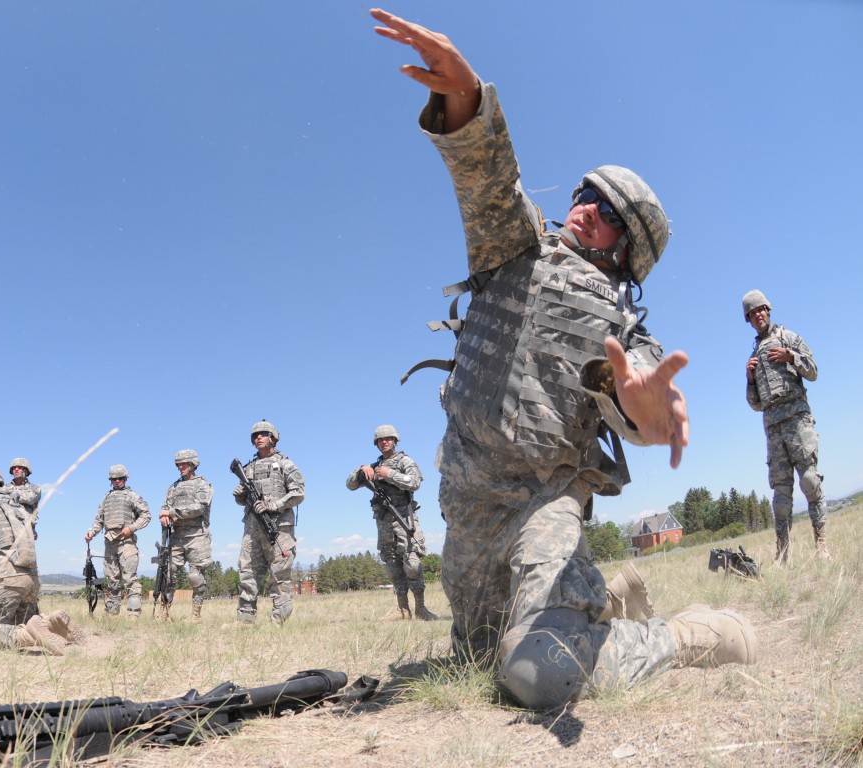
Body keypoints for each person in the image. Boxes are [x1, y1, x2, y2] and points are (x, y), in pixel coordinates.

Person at [370, 9, 755, 709]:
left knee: (536, 673)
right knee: (478, 657)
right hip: (469, 509)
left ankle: (700, 632)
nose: (584, 210)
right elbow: (487, 178)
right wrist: (466, 99)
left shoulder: (620, 321)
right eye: (583, 195)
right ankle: (611, 594)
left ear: (625, 249)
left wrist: (644, 410)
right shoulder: (512, 248)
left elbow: (632, 390)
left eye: (606, 212)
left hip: (542, 507)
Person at [0, 465, 81, 654]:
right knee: (20, 622)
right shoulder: (18, 506)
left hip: (7, 578)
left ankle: (28, 636)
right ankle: (52, 623)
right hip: (32, 579)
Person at [743, 289, 829, 562]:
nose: (758, 316)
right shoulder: (754, 354)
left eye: (760, 310)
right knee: (781, 496)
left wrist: (791, 356)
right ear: (748, 320)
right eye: (752, 314)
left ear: (768, 309)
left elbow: (813, 371)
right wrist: (749, 377)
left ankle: (821, 546)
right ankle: (782, 554)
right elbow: (755, 404)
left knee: (809, 482)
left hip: (797, 421)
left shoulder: (788, 338)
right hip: (773, 428)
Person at [347, 425, 439, 621]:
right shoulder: (373, 467)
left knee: (412, 565)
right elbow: (350, 485)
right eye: (380, 440)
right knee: (392, 567)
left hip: (405, 519)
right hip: (384, 522)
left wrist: (390, 475)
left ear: (395, 441)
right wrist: (361, 470)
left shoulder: (405, 461)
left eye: (388, 439)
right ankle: (402, 610)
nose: (384, 442)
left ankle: (421, 608)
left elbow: (415, 482)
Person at [232, 420, 304, 625]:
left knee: (279, 574)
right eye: (255, 436)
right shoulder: (248, 469)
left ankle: (278, 621)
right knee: (248, 573)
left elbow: (299, 493)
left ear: (273, 437)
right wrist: (240, 495)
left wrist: (275, 505)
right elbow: (242, 501)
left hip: (278, 529)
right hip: (252, 529)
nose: (258, 438)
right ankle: (245, 620)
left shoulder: (285, 464)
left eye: (263, 434)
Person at [83, 464, 151, 619]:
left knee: (130, 580)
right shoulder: (107, 498)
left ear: (125, 479)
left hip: (126, 543)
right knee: (112, 581)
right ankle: (112, 614)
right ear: (110, 480)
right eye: (114, 479)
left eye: (120, 478)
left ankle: (133, 616)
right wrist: (91, 532)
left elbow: (146, 515)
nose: (117, 481)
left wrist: (131, 528)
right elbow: (99, 520)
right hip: (109, 544)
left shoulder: (132, 496)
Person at [157, 449, 214, 622]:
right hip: (176, 537)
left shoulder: (203, 485)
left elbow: (200, 507)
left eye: (184, 464)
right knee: (168, 574)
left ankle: (195, 614)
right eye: (178, 464)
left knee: (195, 576)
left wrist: (171, 511)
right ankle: (164, 612)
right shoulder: (173, 487)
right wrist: (165, 516)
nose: (180, 467)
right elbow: (165, 508)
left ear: (193, 464)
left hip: (197, 536)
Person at [6, 457, 43, 529]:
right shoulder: (4, 488)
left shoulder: (34, 488)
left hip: (25, 528)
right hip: (7, 527)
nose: (16, 469)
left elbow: (29, 498)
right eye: (14, 468)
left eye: (19, 467)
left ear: (26, 471)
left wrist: (12, 495)